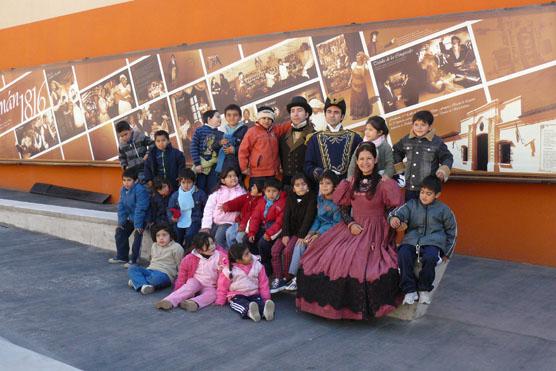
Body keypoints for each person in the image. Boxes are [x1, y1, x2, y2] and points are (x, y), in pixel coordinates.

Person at [297, 143, 404, 320]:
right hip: (353, 227)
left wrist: (392, 222)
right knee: (324, 255)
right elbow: (344, 210)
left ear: (375, 159)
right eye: (361, 159)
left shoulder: (384, 183)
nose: (365, 162)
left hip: (375, 230)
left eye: (369, 158)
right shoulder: (351, 183)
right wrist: (350, 224)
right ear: (357, 161)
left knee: (361, 264)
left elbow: (391, 210)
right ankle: (327, 306)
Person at [388, 175, 457, 305]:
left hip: (433, 243)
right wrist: (394, 219)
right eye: (422, 192)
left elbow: (452, 231)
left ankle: (424, 289)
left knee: (431, 257)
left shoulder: (444, 210)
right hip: (412, 240)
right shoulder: (411, 205)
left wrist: (447, 253)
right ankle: (410, 290)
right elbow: (395, 213)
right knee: (403, 254)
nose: (424, 196)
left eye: (429, 194)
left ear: (437, 195)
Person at [287, 170, 341, 291]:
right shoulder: (320, 199)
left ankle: (307, 277)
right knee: (300, 243)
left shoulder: (338, 202)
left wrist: (318, 234)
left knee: (311, 245)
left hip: (330, 233)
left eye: (328, 183)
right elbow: (317, 218)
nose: (324, 186)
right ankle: (295, 276)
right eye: (321, 183)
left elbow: (336, 223)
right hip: (317, 230)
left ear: (335, 186)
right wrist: (311, 232)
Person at [155, 232, 227, 311]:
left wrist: (220, 299)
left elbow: (224, 279)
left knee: (212, 295)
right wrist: (178, 289)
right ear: (199, 250)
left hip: (210, 285)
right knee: (189, 287)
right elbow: (182, 275)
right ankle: (169, 301)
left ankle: (193, 303)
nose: (212, 247)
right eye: (208, 245)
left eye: (212, 243)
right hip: (196, 281)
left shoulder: (221, 257)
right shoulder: (190, 258)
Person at [270, 173, 316, 293]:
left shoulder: (311, 198)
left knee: (288, 250)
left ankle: (287, 277)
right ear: (293, 188)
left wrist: (301, 235)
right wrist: (285, 233)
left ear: (308, 186)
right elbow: (286, 217)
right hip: (288, 231)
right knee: (275, 250)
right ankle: (278, 277)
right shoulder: (291, 198)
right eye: (297, 185)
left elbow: (308, 218)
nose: (300, 187)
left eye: (303, 184)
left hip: (299, 232)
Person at [392, 110, 454, 201]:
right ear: (412, 125)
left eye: (423, 125)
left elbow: (447, 157)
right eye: (416, 124)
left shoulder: (437, 142)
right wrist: (399, 168)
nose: (419, 128)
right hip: (410, 187)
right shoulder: (406, 140)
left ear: (429, 127)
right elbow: (396, 151)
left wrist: (443, 171)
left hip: (428, 189)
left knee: (426, 213)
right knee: (410, 213)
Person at [304, 97, 362, 182]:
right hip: (325, 187)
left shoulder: (355, 138)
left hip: (350, 186)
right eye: (329, 111)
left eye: (336, 112)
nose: (332, 115)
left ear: (342, 116)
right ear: (325, 114)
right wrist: (317, 172)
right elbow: (308, 165)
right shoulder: (314, 139)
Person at [215, 243, 275, 322]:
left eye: (249, 252)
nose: (250, 255)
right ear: (238, 260)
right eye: (246, 254)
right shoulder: (228, 270)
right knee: (242, 304)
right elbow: (222, 286)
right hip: (237, 295)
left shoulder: (257, 265)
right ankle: (250, 312)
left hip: (254, 293)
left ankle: (265, 312)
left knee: (260, 303)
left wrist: (266, 298)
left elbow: (263, 283)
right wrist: (220, 300)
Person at [238, 106, 289, 187]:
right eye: (264, 118)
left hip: (273, 173)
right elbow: (243, 150)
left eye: (269, 119)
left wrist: (294, 121)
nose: (266, 121)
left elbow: (284, 127)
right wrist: (244, 167)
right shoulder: (252, 131)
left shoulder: (275, 130)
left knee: (273, 195)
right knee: (258, 196)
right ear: (258, 119)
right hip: (257, 174)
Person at [109, 168, 150, 267]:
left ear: (135, 180)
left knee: (137, 234)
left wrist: (138, 225)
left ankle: (134, 260)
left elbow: (141, 209)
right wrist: (121, 222)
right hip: (132, 218)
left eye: (129, 180)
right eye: (124, 180)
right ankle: (122, 256)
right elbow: (121, 206)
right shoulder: (123, 190)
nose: (126, 183)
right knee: (120, 231)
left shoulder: (140, 190)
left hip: (143, 218)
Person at [245, 178, 286, 277]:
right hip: (263, 227)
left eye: (274, 191)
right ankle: (256, 260)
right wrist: (252, 232)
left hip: (274, 231)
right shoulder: (262, 201)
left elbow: (280, 222)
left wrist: (269, 234)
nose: (271, 194)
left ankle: (267, 265)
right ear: (264, 191)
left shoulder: (282, 203)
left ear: (279, 192)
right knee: (247, 239)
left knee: (263, 242)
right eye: (268, 191)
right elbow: (255, 218)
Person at [127, 223, 184, 294]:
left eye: (164, 235)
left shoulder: (176, 247)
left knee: (155, 279)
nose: (161, 238)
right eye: (158, 236)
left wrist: (179, 279)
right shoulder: (154, 245)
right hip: (150, 270)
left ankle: (137, 282)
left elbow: (181, 265)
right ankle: (144, 285)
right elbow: (152, 260)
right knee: (132, 268)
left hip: (165, 274)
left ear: (171, 236)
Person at [200, 167, 246, 249]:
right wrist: (206, 226)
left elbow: (242, 206)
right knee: (207, 238)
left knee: (218, 239)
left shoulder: (241, 192)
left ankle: (224, 257)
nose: (233, 178)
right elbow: (208, 209)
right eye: (229, 176)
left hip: (229, 222)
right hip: (216, 222)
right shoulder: (217, 192)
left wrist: (229, 206)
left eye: (235, 176)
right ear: (223, 180)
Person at [279, 96, 315, 187]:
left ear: (306, 114)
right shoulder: (283, 137)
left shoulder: (315, 135)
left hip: (308, 184)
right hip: (288, 186)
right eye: (292, 111)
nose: (295, 114)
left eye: (299, 110)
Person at [167, 169, 207, 249]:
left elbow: (207, 208)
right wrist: (172, 218)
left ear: (194, 182)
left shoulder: (200, 194)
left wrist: (204, 221)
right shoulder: (176, 195)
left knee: (190, 235)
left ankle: (187, 252)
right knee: (176, 234)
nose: (186, 185)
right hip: (179, 220)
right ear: (179, 183)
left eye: (189, 183)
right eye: (183, 183)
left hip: (194, 220)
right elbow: (170, 208)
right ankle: (178, 251)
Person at [221, 179, 264, 248]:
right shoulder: (248, 196)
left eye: (254, 187)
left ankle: (243, 254)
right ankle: (233, 253)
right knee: (229, 233)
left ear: (260, 193)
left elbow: (251, 216)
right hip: (240, 222)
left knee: (239, 237)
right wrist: (227, 205)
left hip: (248, 226)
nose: (252, 188)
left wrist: (243, 225)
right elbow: (237, 202)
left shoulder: (261, 202)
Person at [213, 104, 248, 179]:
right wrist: (220, 143)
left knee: (238, 183)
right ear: (225, 117)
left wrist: (234, 149)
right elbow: (213, 146)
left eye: (235, 115)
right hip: (223, 164)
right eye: (229, 115)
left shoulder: (244, 129)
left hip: (238, 163)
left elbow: (247, 146)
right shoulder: (220, 130)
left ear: (240, 117)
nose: (232, 117)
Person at [191, 110, 221, 194]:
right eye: (217, 116)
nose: (220, 118)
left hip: (214, 166)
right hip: (201, 166)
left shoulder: (219, 133)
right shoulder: (199, 131)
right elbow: (193, 147)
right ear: (209, 119)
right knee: (201, 188)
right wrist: (197, 163)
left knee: (213, 189)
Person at [349, 52, 372, 120]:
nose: (356, 58)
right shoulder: (354, 64)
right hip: (354, 84)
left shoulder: (365, 66)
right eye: (356, 56)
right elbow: (352, 74)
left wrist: (364, 56)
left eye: (358, 56)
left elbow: (363, 74)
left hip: (361, 85)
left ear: (361, 58)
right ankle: (354, 114)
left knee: (361, 99)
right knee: (354, 100)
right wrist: (349, 81)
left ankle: (362, 114)